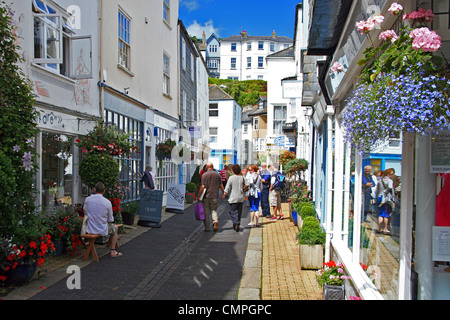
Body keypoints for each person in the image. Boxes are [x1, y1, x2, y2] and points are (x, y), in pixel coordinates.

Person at [83, 182, 122, 257]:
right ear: (104, 191)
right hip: (102, 229)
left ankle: (88, 243)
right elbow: (110, 220)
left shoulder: (87, 199)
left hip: (89, 228)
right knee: (115, 228)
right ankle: (113, 251)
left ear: (94, 190)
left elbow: (85, 211)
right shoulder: (107, 202)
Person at [198, 162, 225, 232]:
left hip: (206, 196)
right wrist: (223, 192)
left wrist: (199, 195)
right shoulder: (217, 175)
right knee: (214, 210)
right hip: (215, 195)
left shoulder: (204, 175)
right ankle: (215, 220)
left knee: (206, 212)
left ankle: (207, 228)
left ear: (206, 167)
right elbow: (220, 185)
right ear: (212, 167)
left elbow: (202, 186)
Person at [222, 164, 247, 232]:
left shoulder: (231, 178)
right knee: (239, 212)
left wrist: (224, 193)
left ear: (233, 171)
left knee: (232, 211)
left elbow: (227, 187)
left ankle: (236, 222)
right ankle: (236, 224)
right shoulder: (243, 177)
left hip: (233, 197)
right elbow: (247, 185)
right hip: (241, 197)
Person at [376, 169, 396, 234]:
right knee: (386, 214)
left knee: (380, 214)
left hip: (380, 196)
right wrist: (386, 192)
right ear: (388, 174)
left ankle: (379, 228)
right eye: (391, 174)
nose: (392, 175)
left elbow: (377, 189)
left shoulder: (380, 180)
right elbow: (390, 188)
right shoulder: (390, 181)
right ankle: (385, 228)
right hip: (386, 198)